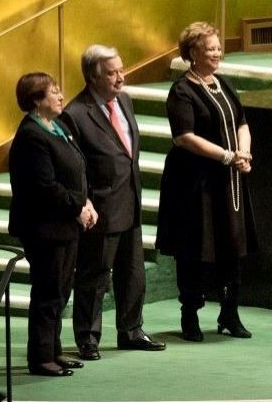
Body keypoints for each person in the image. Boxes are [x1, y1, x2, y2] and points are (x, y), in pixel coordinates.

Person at [60, 45, 165, 360]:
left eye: (121, 69)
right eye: (112, 72)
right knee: (94, 276)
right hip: (100, 209)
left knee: (133, 272)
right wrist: (85, 202)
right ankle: (88, 338)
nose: (121, 77)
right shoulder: (76, 114)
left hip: (130, 201)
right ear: (93, 76)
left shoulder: (125, 100)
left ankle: (131, 330)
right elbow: (74, 167)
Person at [157, 22, 258, 342]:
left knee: (232, 245)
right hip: (195, 186)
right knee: (195, 250)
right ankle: (190, 316)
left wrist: (244, 152)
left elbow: (241, 121)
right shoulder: (182, 90)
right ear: (192, 54)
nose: (217, 53)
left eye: (218, 48)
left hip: (228, 184)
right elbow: (184, 137)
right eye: (209, 49)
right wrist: (227, 156)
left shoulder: (222, 83)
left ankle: (230, 313)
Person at [8, 72, 94, 376]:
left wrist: (86, 202)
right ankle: (41, 357)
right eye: (53, 92)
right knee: (47, 292)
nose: (60, 96)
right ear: (36, 100)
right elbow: (45, 187)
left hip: (64, 225)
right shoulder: (32, 134)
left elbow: (76, 169)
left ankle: (54, 350)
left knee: (60, 290)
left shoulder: (57, 125)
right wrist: (78, 207)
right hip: (44, 228)